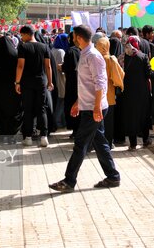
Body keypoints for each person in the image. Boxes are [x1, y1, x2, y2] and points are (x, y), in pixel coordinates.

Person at [49, 25, 121, 193]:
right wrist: (77, 103)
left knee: (80, 143)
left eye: (74, 36)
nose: (72, 38)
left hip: (94, 108)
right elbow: (85, 84)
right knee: (100, 142)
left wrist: (96, 107)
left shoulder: (94, 56)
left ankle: (69, 180)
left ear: (79, 38)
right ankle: (113, 176)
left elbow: (100, 83)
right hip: (89, 106)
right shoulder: (85, 53)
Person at [15, 24, 53, 147]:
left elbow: (20, 66)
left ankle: (28, 137)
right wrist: (50, 81)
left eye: (22, 35)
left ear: (27, 34)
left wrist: (17, 82)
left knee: (28, 109)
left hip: (27, 82)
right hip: (41, 81)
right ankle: (44, 136)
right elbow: (48, 66)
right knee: (41, 108)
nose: (21, 38)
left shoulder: (23, 47)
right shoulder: (44, 47)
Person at [0, 35, 22, 143]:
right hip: (12, 86)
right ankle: (12, 135)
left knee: (0, 109)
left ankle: (2, 133)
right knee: (13, 109)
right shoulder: (15, 54)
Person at [122, 36, 152, 150]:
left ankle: (133, 144)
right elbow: (148, 73)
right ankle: (145, 140)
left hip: (128, 92)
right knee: (143, 115)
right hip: (142, 92)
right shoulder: (143, 56)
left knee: (131, 117)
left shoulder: (122, 57)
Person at [93, 35, 124, 147]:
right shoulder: (110, 59)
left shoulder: (93, 58)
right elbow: (118, 77)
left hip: (94, 94)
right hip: (108, 95)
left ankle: (95, 144)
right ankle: (108, 143)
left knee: (96, 121)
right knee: (108, 121)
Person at [62, 32, 81, 137]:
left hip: (71, 84)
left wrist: (61, 67)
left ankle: (75, 130)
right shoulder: (85, 51)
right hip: (82, 84)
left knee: (71, 106)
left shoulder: (69, 51)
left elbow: (67, 68)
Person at [51, 33, 69, 129]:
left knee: (58, 101)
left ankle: (60, 121)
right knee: (61, 102)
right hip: (61, 79)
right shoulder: (61, 51)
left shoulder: (53, 49)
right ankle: (57, 122)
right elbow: (61, 67)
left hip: (54, 78)